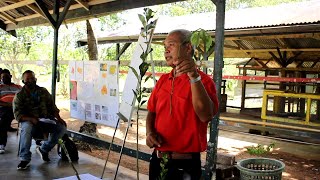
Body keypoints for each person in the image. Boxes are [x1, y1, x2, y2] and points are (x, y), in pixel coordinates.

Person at [146, 29, 219, 180]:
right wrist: (149, 133)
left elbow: (206, 116)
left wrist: (193, 76)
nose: (166, 50)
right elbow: (151, 112)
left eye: (171, 45)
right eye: (165, 46)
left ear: (188, 48)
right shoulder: (162, 80)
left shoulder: (204, 81)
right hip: (158, 159)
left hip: (185, 165)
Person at [13, 70, 66, 170]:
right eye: (27, 79)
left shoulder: (43, 91)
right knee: (27, 128)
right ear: (23, 81)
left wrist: (58, 118)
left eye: (32, 78)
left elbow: (52, 106)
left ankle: (44, 149)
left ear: (36, 79)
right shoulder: (19, 95)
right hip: (28, 121)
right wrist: (31, 118)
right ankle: (24, 158)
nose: (30, 80)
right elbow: (18, 115)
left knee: (61, 127)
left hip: (45, 119)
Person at [0, 69, 22, 154]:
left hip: (19, 109)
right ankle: (1, 143)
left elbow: (25, 97)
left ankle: (40, 141)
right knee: (4, 119)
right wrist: (9, 105)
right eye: (3, 77)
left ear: (11, 76)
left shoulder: (18, 87)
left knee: (34, 117)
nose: (5, 79)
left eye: (7, 76)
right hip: (5, 108)